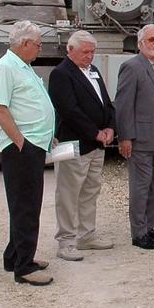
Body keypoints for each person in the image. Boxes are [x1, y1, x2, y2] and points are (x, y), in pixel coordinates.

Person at [0, 20, 57, 286]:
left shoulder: (23, 67)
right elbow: (0, 109)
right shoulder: (5, 68)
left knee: (25, 204)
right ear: (25, 43)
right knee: (26, 207)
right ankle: (24, 267)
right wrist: (21, 142)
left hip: (34, 144)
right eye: (38, 45)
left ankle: (14, 255)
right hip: (22, 149)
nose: (40, 49)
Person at [48, 30, 116, 262]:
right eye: (85, 52)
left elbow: (106, 103)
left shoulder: (94, 71)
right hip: (74, 144)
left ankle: (86, 235)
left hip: (97, 145)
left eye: (93, 52)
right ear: (71, 50)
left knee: (90, 191)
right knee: (68, 193)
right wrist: (95, 132)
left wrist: (110, 127)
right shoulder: (61, 74)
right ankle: (66, 241)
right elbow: (69, 111)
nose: (90, 56)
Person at [116, 24, 154, 250]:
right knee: (140, 188)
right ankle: (138, 233)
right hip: (141, 139)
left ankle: (150, 226)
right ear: (140, 43)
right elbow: (123, 105)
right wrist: (125, 137)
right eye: (151, 39)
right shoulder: (132, 67)